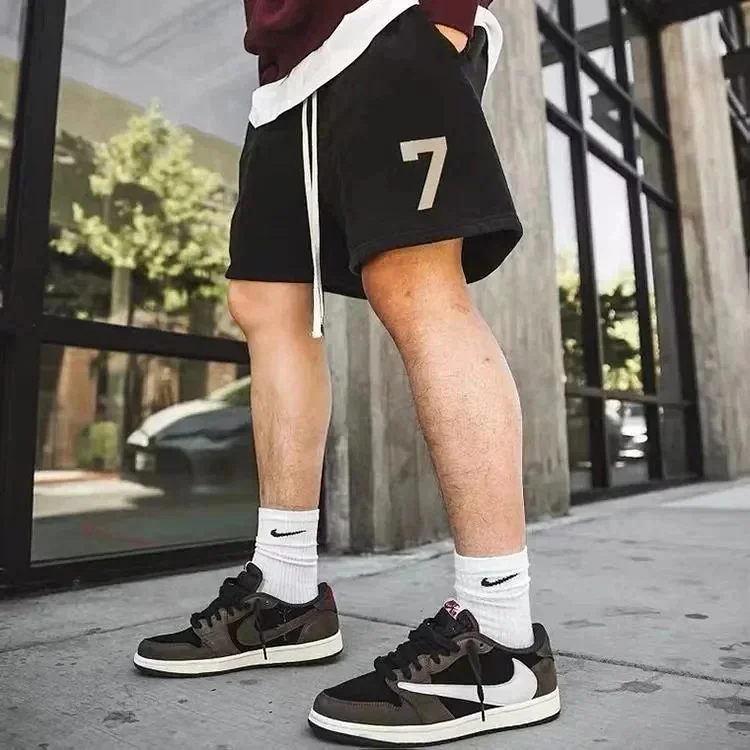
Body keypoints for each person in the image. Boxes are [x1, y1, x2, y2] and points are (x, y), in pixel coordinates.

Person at [133, 0, 561, 744]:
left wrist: (446, 14)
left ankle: (500, 638)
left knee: (415, 283)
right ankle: (284, 595)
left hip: (386, 19)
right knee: (266, 305)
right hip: (286, 77)